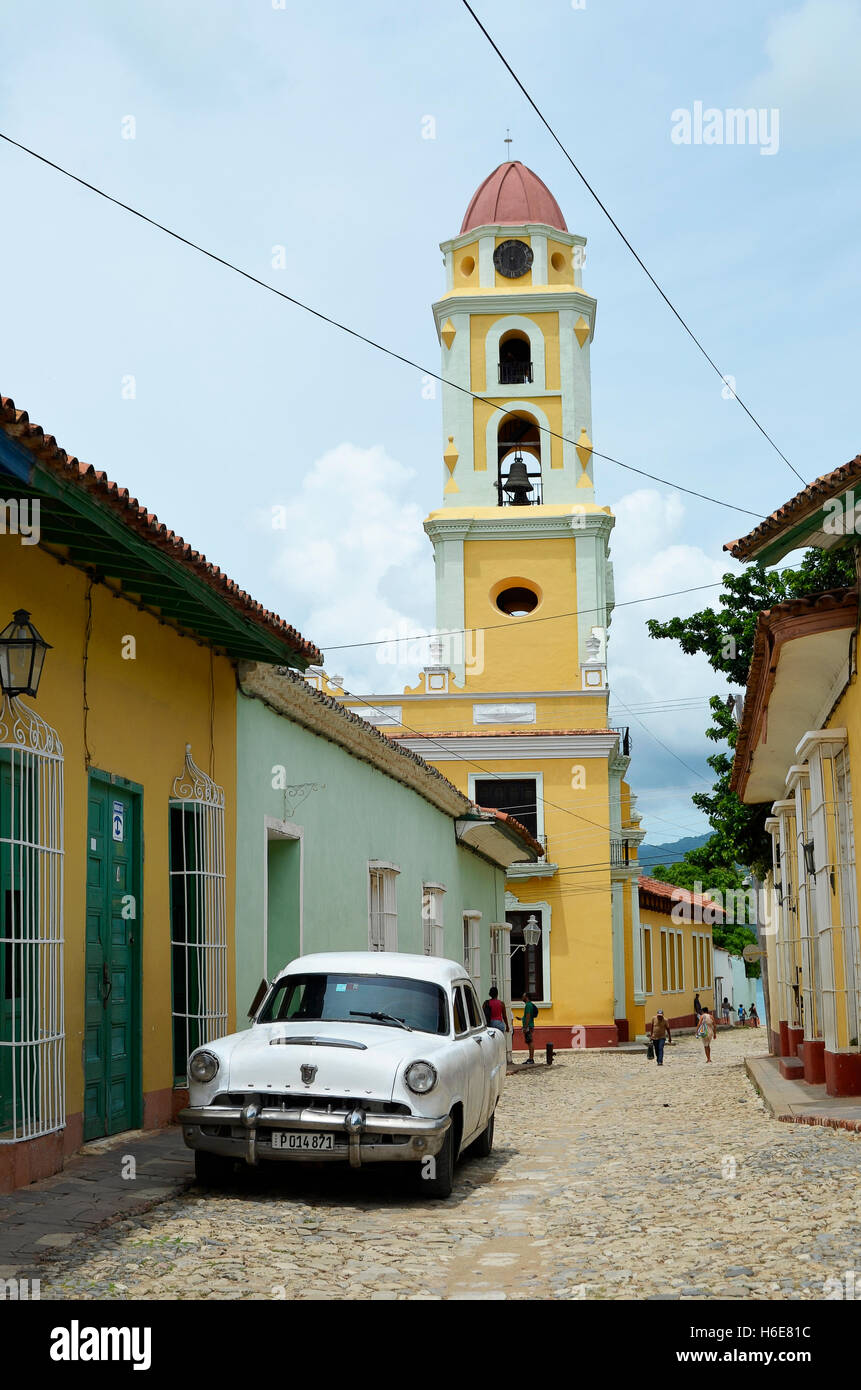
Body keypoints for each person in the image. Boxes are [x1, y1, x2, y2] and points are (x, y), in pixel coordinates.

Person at [520, 992, 538, 1064]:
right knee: (529, 1041)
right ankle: (530, 1058)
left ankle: (531, 1059)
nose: (522, 997)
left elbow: (528, 1016)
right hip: (530, 1025)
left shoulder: (528, 1005)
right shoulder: (530, 1005)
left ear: (526, 997)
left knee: (530, 1042)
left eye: (523, 996)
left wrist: (525, 1027)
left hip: (528, 1026)